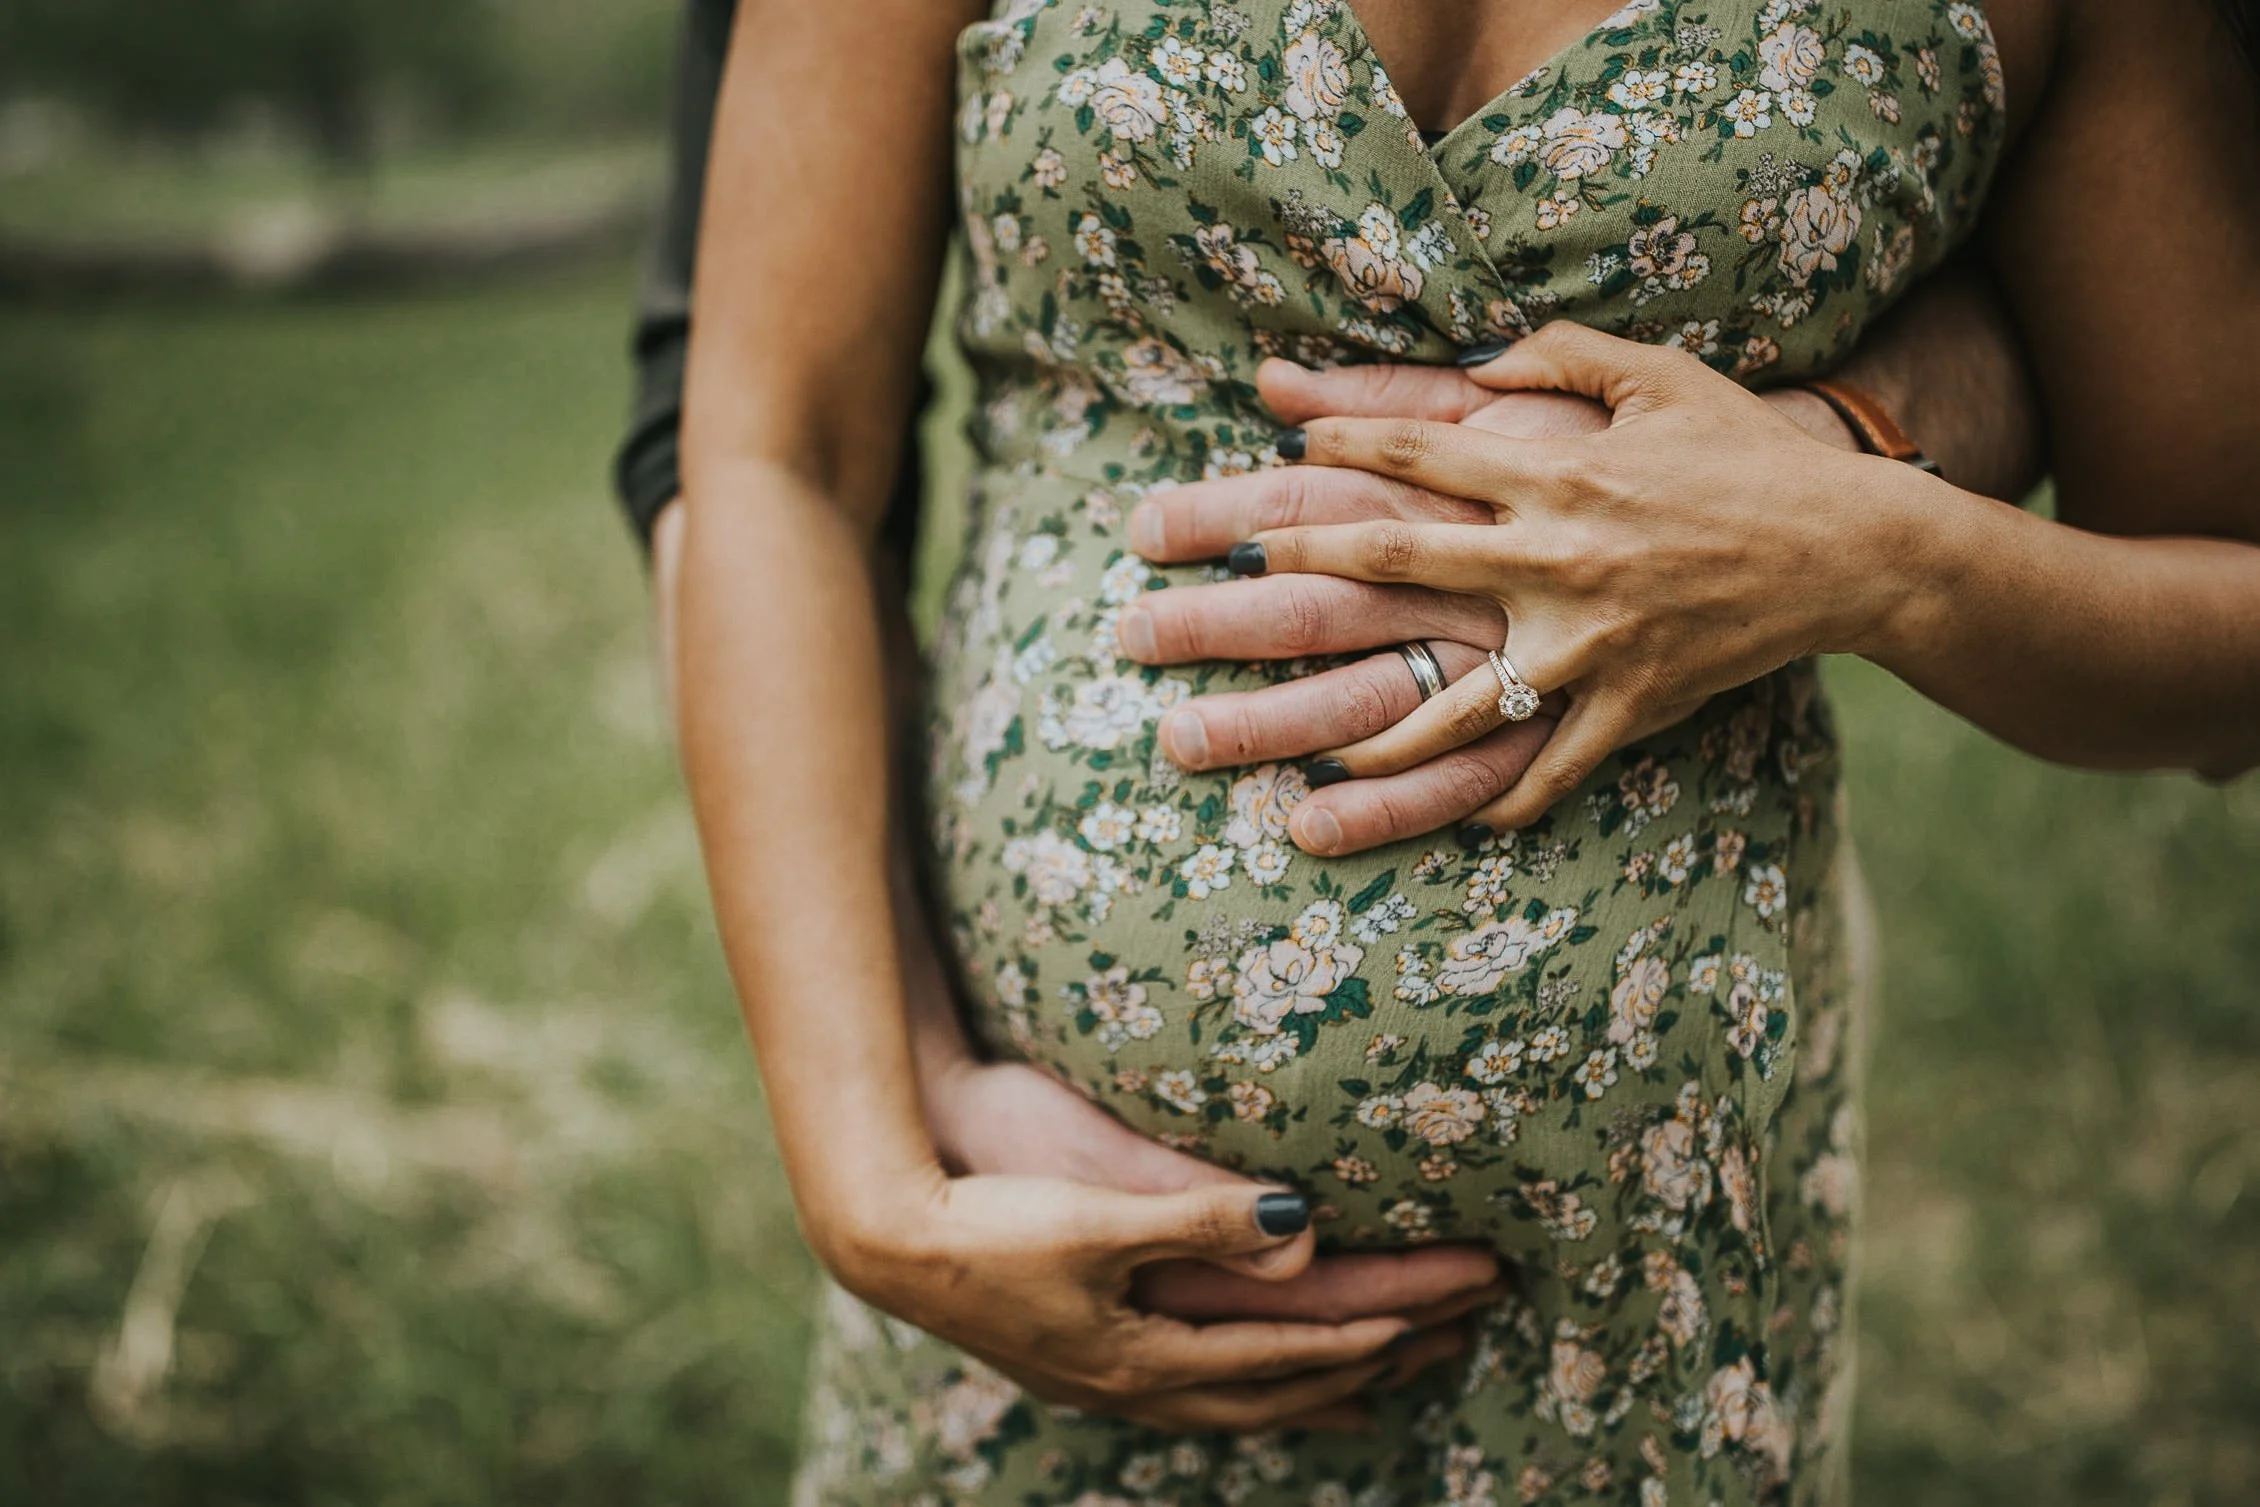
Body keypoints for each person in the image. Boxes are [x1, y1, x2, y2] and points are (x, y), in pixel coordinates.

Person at [646, 0, 2252, 1499]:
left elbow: (2220, 604)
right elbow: (779, 449)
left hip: (1637, 1299)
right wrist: (873, 1171)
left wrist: (1873, 541)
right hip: (1028, 1245)